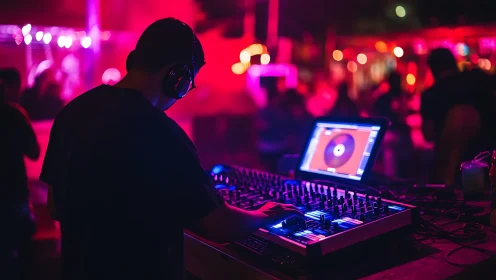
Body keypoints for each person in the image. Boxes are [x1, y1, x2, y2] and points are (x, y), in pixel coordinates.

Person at [41, 18, 301, 280]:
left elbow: (54, 206)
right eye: (188, 84)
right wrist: (264, 215)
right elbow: (219, 225)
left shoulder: (72, 113)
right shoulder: (161, 132)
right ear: (177, 77)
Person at [421, 48, 496, 185]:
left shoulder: (431, 95)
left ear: (432, 70)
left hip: (450, 173)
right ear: (454, 63)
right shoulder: (479, 79)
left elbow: (428, 135)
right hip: (490, 165)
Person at [0, 68, 39, 279]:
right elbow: (34, 151)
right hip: (14, 193)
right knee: (24, 257)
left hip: (12, 195)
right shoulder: (14, 115)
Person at [374, 72, 414, 177]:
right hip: (394, 133)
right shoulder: (400, 97)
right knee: (391, 148)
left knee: (390, 152)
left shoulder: (383, 98)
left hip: (387, 133)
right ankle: (396, 178)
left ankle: (391, 178)